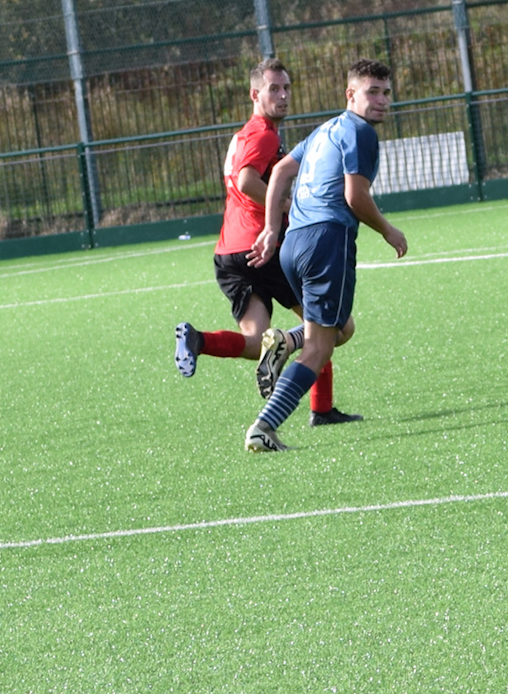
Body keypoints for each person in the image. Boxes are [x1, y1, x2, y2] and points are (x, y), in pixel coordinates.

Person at [172, 56, 359, 427]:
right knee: (336, 327)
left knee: (256, 340)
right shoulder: (264, 134)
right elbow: (246, 181)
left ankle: (198, 340)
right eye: (274, 89)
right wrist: (288, 206)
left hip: (230, 252)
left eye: (287, 87)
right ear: (254, 94)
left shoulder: (243, 135)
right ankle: (315, 396)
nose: (283, 95)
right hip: (264, 247)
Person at [242, 59, 409, 453]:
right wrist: (388, 230)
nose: (381, 100)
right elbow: (355, 196)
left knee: (341, 328)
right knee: (320, 348)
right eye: (372, 92)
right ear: (351, 94)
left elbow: (281, 172)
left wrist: (272, 228)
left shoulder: (324, 130)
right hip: (326, 241)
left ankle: (287, 340)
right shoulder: (361, 132)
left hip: (294, 243)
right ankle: (264, 426)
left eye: (386, 93)